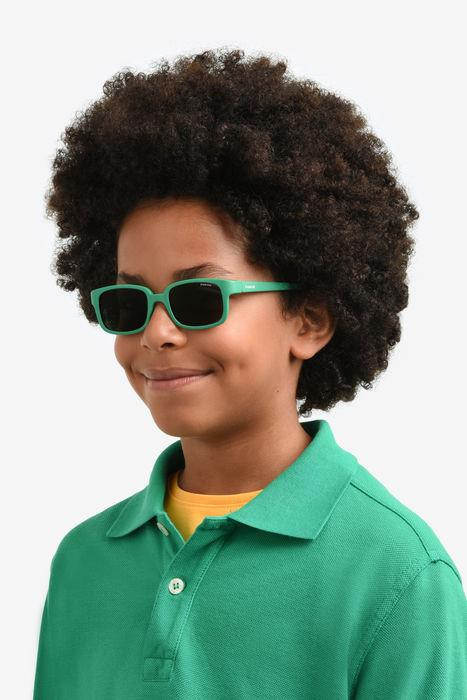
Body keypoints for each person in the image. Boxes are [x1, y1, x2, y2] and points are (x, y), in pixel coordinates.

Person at [33, 48, 467, 699]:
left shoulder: (397, 574)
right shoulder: (85, 560)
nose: (157, 332)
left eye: (199, 298)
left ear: (309, 321)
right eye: (129, 303)